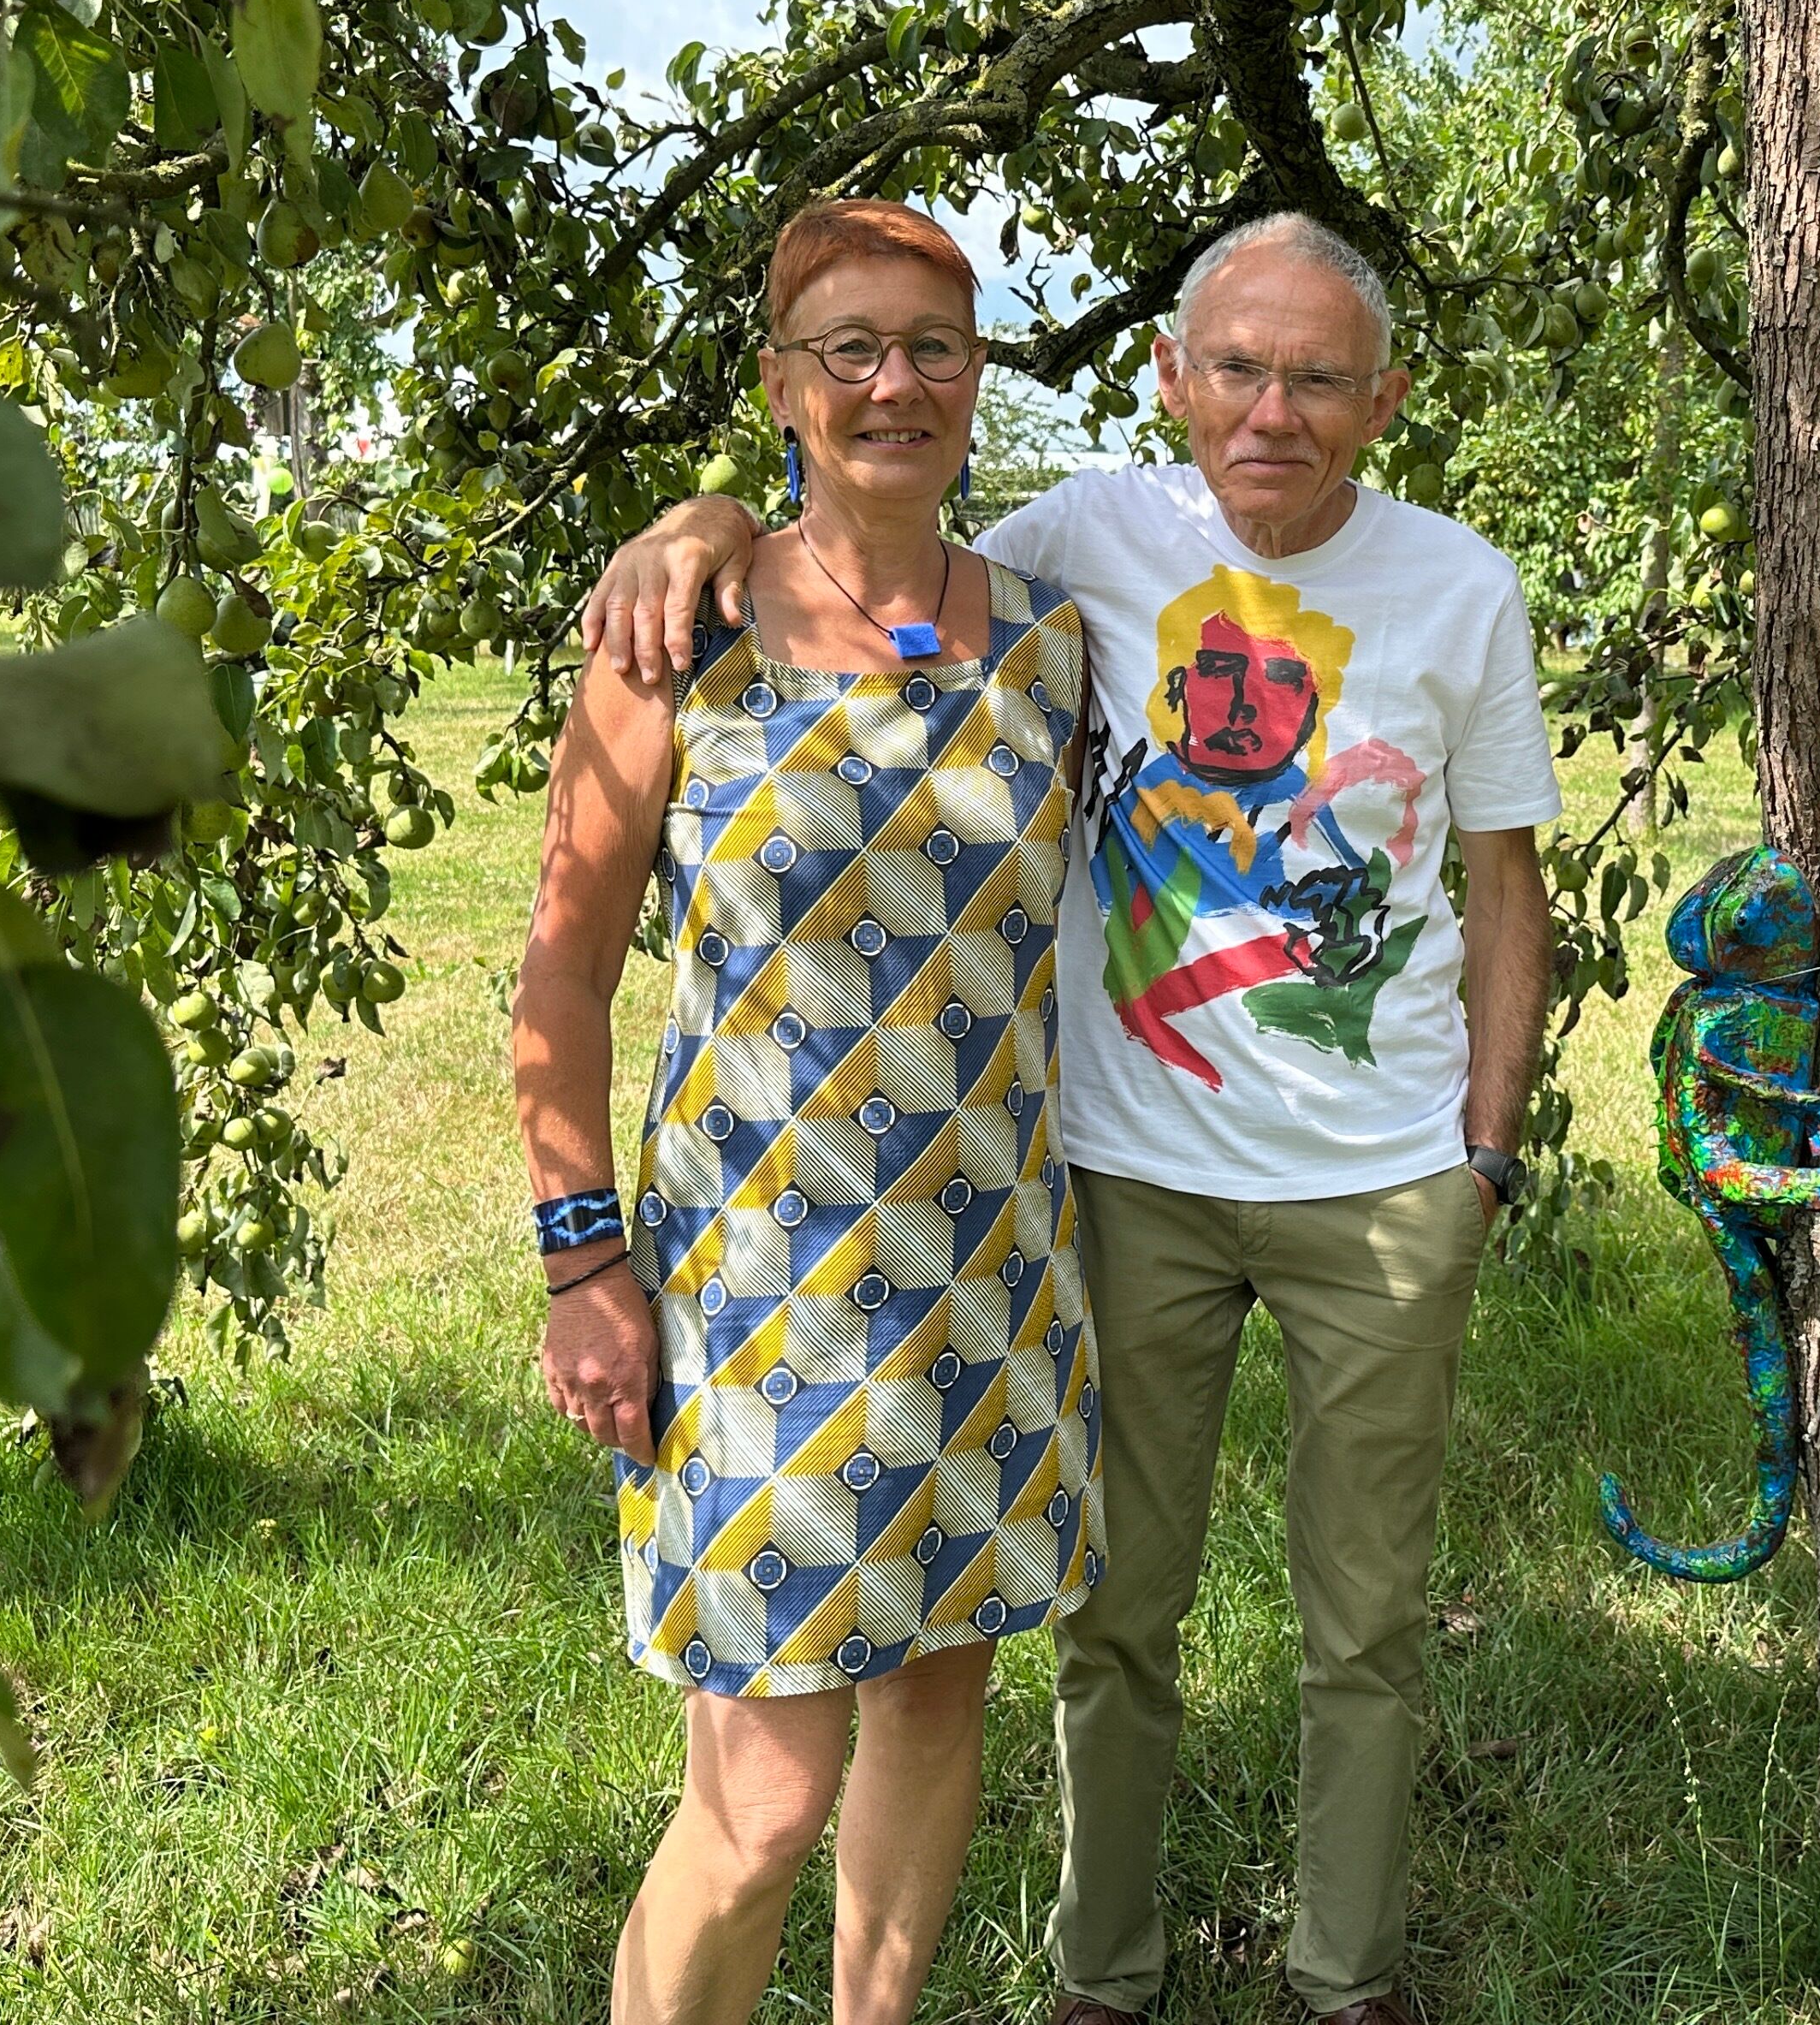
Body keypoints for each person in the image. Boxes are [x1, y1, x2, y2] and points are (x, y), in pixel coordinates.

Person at [579, 211, 1561, 2025]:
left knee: (1330, 1627)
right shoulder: (1057, 552)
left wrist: (1483, 1159)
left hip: (1248, 1213)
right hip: (1023, 1209)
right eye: (1238, 368)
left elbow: (1508, 886)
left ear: (1386, 399)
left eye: (1320, 378)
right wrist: (697, 520)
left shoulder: (1395, 592)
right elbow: (849, 533)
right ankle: (1101, 1980)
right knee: (1037, 1661)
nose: (1272, 411)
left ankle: (1343, 1978)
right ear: (1174, 378)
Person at [513, 198, 1100, 2025]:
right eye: (849, 348)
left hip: (990, 1284)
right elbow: (558, 980)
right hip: (757, 1304)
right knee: (760, 1803)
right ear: (782, 384)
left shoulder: (1058, 643)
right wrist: (580, 1263)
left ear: (979, 380)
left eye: (933, 347)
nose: (894, 383)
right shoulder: (675, 639)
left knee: (936, 1702)